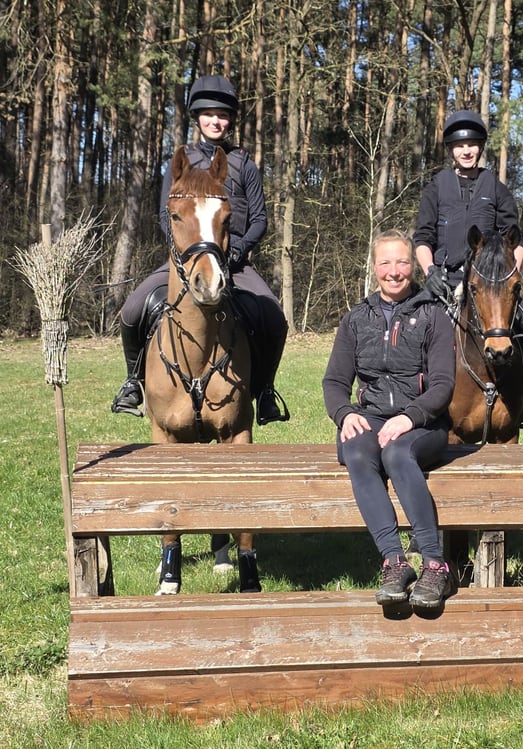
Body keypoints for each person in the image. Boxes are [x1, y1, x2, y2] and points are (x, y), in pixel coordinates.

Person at [111, 74, 290, 426]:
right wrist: (183, 254)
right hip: (185, 261)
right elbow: (167, 215)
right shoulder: (181, 161)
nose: (216, 121)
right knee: (133, 309)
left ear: (230, 121)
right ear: (197, 117)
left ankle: (265, 390)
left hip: (233, 261)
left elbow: (260, 220)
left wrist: (236, 249)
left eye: (222, 115)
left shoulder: (243, 164)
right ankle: (133, 381)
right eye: (208, 114)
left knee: (275, 319)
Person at [322, 229, 457, 609]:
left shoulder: (434, 316)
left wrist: (411, 417)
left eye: (401, 262)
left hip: (424, 425)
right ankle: (394, 562)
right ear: (373, 267)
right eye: (385, 262)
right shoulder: (355, 319)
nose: (394, 271)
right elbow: (334, 381)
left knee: (397, 454)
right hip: (370, 417)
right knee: (356, 450)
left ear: (413, 267)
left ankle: (435, 565)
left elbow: (444, 385)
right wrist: (345, 412)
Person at [413, 109, 523, 428]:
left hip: (490, 286)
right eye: (460, 146)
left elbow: (516, 238)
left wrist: (509, 277)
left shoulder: (495, 187)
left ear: (481, 147)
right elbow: (422, 237)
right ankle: (414, 400)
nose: (467, 150)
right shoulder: (436, 187)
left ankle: (522, 397)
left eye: (472, 144)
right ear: (450, 150)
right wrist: (429, 271)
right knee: (416, 331)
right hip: (445, 283)